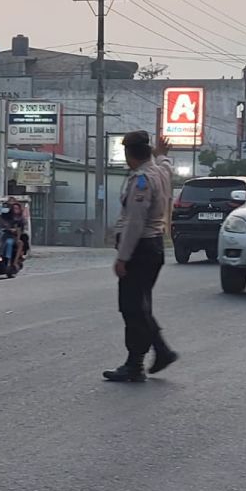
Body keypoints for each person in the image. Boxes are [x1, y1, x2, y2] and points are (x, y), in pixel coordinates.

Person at [104, 131, 179, 383]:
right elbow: (167, 166)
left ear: (129, 155)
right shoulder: (159, 171)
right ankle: (160, 351)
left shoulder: (142, 179)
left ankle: (136, 363)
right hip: (154, 246)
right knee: (140, 306)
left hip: (141, 249)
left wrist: (123, 257)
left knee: (132, 307)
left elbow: (135, 222)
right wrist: (163, 155)